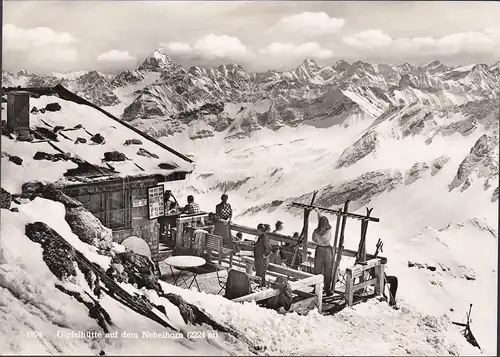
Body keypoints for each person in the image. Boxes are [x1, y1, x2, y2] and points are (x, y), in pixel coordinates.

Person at [311, 210, 334, 296]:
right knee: (328, 270)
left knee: (318, 269)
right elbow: (329, 239)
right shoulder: (329, 231)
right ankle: (327, 289)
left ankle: (316, 288)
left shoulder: (316, 231)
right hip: (327, 250)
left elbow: (313, 239)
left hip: (319, 250)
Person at [254, 223, 271, 288]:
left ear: (261, 230)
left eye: (258, 230)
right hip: (258, 259)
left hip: (262, 260)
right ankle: (263, 287)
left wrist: (265, 254)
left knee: (259, 276)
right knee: (260, 275)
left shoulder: (265, 237)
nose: (257, 231)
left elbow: (269, 248)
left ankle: (258, 288)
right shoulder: (259, 237)